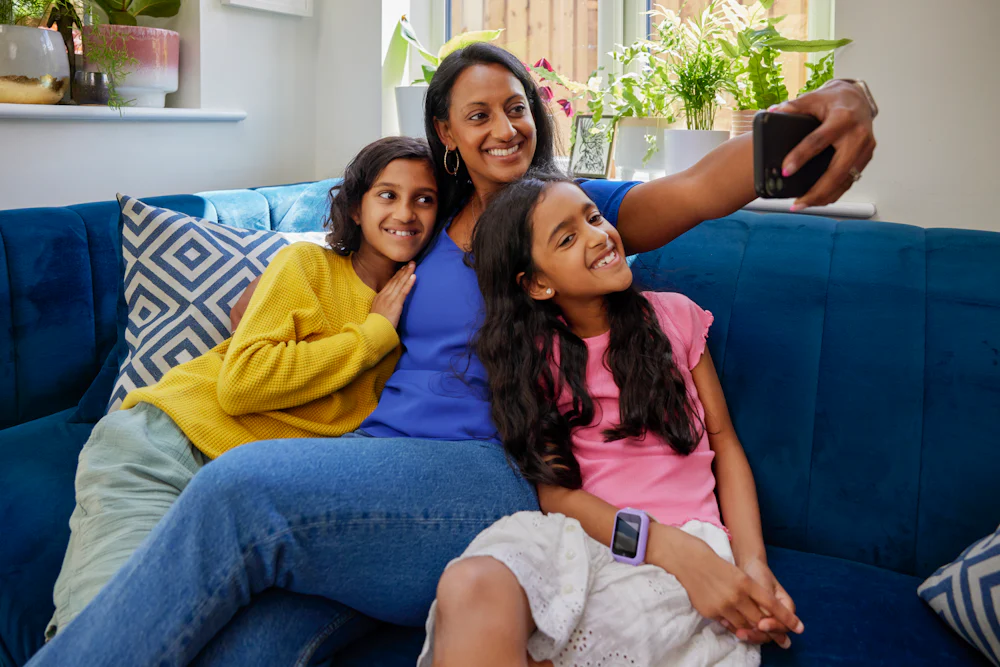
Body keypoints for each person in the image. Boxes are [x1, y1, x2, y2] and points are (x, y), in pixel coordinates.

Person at [27, 43, 876, 666]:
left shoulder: (570, 212)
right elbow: (327, 258)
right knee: (243, 646)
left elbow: (694, 190)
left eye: (516, 106)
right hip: (369, 472)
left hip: (483, 472)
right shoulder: (424, 223)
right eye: (479, 114)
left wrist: (823, 108)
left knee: (241, 492)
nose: (506, 127)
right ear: (446, 132)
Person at [42, 135, 439, 639]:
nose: (405, 212)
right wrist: (370, 336)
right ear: (356, 208)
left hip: (242, 497)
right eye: (387, 194)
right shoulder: (308, 266)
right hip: (165, 446)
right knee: (103, 632)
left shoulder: (421, 310)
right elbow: (242, 382)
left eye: (423, 198)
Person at [421, 173, 801, 667]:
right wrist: (659, 544)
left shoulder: (675, 319)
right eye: (567, 236)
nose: (599, 235)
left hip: (689, 544)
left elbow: (724, 443)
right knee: (471, 582)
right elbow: (555, 493)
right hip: (587, 537)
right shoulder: (536, 359)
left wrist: (752, 562)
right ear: (536, 282)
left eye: (594, 216)